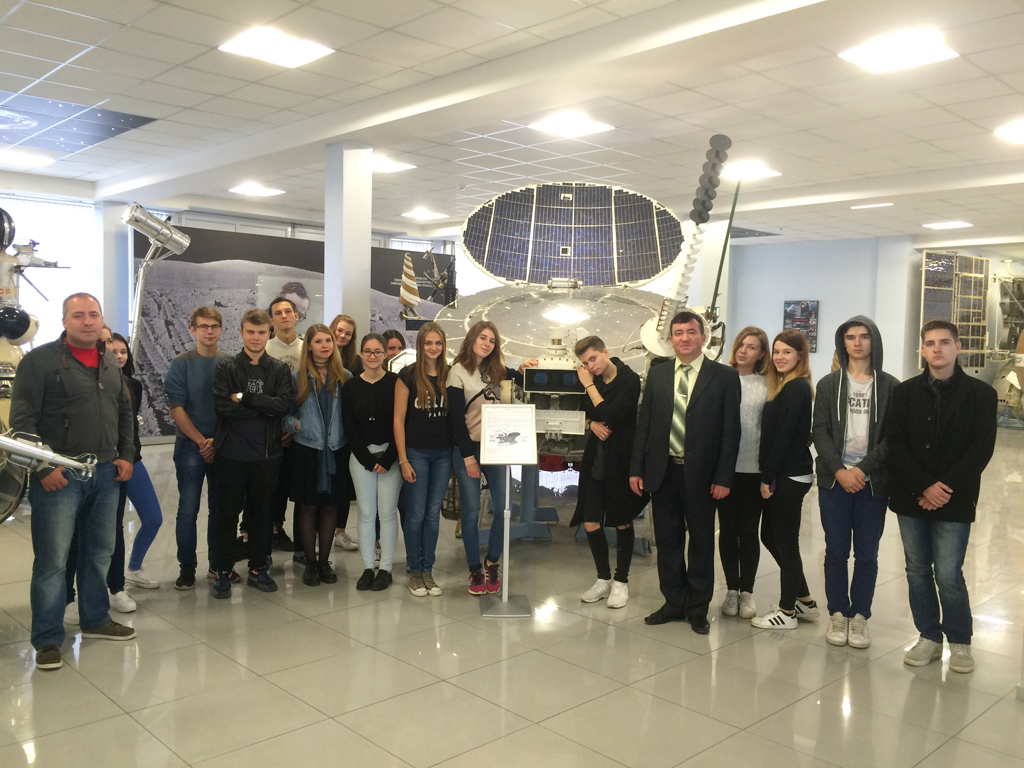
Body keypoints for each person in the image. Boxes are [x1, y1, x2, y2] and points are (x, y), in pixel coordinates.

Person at [12, 293, 136, 671]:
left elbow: (124, 413)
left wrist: (125, 455)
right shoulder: (40, 362)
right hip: (59, 476)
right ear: (64, 321)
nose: (87, 321)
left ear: (101, 320)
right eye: (78, 315)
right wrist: (42, 468)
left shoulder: (109, 362)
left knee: (99, 552)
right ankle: (48, 638)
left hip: (105, 473)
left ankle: (95, 618)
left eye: (93, 314)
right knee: (53, 561)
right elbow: (21, 423)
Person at [888, 320, 996, 674]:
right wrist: (924, 486)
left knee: (949, 573)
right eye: (931, 343)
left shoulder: (981, 395)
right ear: (922, 349)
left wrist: (942, 488)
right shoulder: (904, 393)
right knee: (917, 570)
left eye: (945, 342)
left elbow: (981, 450)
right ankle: (929, 637)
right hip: (911, 497)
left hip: (956, 497)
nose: (937, 348)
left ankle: (960, 642)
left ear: (958, 347)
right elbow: (896, 444)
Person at [629, 311, 740, 635]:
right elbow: (645, 425)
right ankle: (673, 602)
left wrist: (723, 477)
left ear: (703, 337)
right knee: (667, 541)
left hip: (704, 477)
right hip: (663, 473)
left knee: (702, 542)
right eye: (678, 333)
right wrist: (637, 468)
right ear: (671, 339)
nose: (685, 338)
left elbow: (731, 432)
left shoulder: (724, 377)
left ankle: (697, 608)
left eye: (691, 332)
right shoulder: (658, 374)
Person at [812, 316, 899, 649]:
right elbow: (820, 431)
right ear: (843, 343)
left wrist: (861, 470)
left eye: (864, 336)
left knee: (866, 553)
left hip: (872, 483)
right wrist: (840, 470)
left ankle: (860, 616)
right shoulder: (828, 385)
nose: (858, 343)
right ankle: (837, 612)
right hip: (834, 481)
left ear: (874, 341)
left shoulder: (890, 387)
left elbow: (893, 438)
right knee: (835, 551)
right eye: (851, 337)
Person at [210, 309, 295, 599]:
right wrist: (264, 406)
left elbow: (282, 406)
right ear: (241, 333)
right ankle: (223, 570)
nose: (255, 337)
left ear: (269, 333)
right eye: (250, 332)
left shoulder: (280, 369)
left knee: (261, 516)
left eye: (261, 332)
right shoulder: (226, 367)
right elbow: (223, 407)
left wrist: (244, 398)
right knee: (227, 516)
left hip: (267, 456)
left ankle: (258, 568)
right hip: (231, 456)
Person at [448, 321, 537, 595]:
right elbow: (456, 420)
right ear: (472, 339)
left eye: (492, 340)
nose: (487, 344)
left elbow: (517, 378)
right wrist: (468, 458)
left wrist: (523, 368)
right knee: (472, 511)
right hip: (468, 449)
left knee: (502, 508)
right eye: (483, 338)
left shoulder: (497, 370)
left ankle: (492, 562)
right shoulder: (457, 372)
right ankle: (474, 568)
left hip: (496, 448)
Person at [751, 330, 820, 630]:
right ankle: (804, 600)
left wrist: (767, 477)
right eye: (776, 351)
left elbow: (783, 438)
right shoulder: (789, 385)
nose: (779, 357)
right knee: (770, 536)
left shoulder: (795, 387)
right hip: (787, 472)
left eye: (786, 352)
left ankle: (787, 612)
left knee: (786, 543)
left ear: (800, 356)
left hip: (788, 475)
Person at [574, 335, 648, 608]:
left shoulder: (629, 379)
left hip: (622, 459)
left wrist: (589, 386)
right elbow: (583, 412)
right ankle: (603, 579)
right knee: (590, 521)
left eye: (593, 358)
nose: (590, 366)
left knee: (622, 520)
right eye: (585, 363)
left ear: (605, 352)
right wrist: (591, 424)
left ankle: (621, 582)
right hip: (597, 459)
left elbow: (612, 414)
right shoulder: (591, 380)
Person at [164, 307, 235, 590]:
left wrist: (216, 441)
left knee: (220, 509)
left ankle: (218, 564)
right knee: (187, 509)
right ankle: (187, 567)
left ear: (221, 330)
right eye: (203, 326)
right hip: (189, 445)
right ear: (193, 330)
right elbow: (177, 408)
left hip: (223, 445)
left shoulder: (230, 363)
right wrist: (200, 441)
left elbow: (233, 405)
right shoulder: (181, 364)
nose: (209, 331)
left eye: (214, 326)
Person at [284, 324, 349, 586]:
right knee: (308, 506)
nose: (324, 345)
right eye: (318, 341)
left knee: (331, 506)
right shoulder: (296, 377)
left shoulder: (344, 376)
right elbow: (285, 415)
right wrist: (298, 426)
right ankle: (310, 563)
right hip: (307, 450)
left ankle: (324, 563)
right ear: (309, 346)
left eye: (328, 341)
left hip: (336, 449)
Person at [395, 322, 452, 598]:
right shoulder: (407, 375)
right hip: (415, 453)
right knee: (416, 513)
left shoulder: (450, 375)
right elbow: (397, 420)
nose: (433, 348)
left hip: (443, 454)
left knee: (432, 513)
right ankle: (415, 570)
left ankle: (428, 569)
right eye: (428, 343)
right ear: (420, 345)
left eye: (438, 343)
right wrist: (403, 460)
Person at [717, 327, 770, 620]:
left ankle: (747, 590)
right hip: (725, 469)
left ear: (761, 354)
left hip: (753, 469)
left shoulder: (767, 384)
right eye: (741, 344)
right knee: (727, 530)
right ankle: (731, 590)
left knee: (748, 531)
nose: (743, 350)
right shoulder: (721, 379)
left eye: (752, 347)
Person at [343, 333, 401, 591]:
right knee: (366, 513)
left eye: (378, 351)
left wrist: (388, 458)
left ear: (385, 354)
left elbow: (401, 422)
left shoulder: (396, 383)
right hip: (361, 458)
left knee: (387, 513)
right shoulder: (351, 386)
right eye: (368, 351)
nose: (373, 356)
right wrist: (367, 459)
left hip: (391, 457)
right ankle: (368, 567)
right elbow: (349, 427)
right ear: (361, 354)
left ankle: (385, 569)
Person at [263, 296, 302, 554]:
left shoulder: (308, 348)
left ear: (297, 316)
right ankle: (267, 531)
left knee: (293, 485)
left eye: (288, 311)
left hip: (300, 429)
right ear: (272, 319)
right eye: (278, 312)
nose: (284, 316)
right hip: (270, 430)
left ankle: (286, 531)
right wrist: (279, 428)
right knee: (269, 485)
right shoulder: (264, 349)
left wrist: (293, 426)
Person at [329, 313, 361, 552]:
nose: (342, 335)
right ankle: (318, 532)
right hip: (319, 433)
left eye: (348, 333)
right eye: (339, 330)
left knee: (342, 485)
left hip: (345, 432)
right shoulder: (317, 355)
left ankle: (339, 532)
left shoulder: (355, 362)